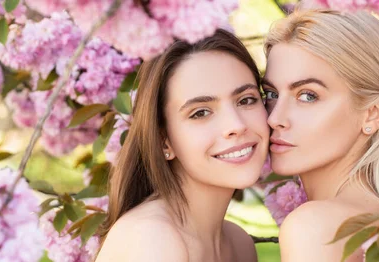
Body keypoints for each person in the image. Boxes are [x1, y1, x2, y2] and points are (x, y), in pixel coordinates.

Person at [95, 29, 268, 262]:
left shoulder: (239, 244)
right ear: (163, 140)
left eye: (246, 100)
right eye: (201, 113)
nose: (236, 125)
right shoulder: (152, 240)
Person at [262, 9, 379, 261]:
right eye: (272, 94)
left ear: (372, 113)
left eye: (308, 96)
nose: (274, 118)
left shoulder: (315, 226)